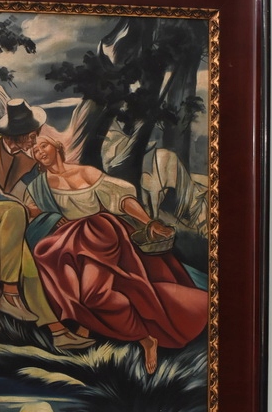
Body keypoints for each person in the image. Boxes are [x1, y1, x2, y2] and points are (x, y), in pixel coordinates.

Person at [25, 136, 208, 373]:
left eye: (44, 145)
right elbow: (31, 217)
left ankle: (142, 339)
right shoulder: (37, 188)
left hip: (100, 235)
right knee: (89, 296)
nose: (40, 152)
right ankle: (138, 336)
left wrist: (148, 222)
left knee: (96, 295)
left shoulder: (87, 173)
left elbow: (121, 200)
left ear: (57, 147)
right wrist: (47, 218)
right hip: (69, 245)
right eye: (35, 150)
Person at [0, 100, 93, 350]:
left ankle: (58, 332)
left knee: (28, 263)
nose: (35, 140)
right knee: (14, 210)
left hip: (1, 222)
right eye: (32, 135)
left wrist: (63, 215)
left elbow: (45, 190)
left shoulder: (25, 159)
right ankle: (10, 294)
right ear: (17, 135)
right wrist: (27, 210)